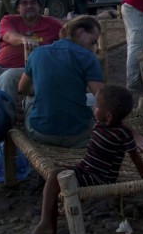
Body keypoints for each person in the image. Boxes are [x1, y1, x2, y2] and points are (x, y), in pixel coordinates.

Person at [24, 84, 143, 234]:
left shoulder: (123, 134)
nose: (93, 108)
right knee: (55, 174)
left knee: (55, 177)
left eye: (96, 107)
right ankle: (49, 231)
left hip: (100, 177)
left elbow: (135, 157)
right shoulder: (100, 123)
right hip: (86, 168)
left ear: (108, 116)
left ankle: (48, 229)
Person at [18, 15, 104, 148]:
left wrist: (42, 90)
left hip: (40, 133)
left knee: (29, 100)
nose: (93, 47)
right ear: (80, 32)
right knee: (92, 99)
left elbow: (22, 89)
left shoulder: (37, 53)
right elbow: (104, 99)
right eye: (93, 42)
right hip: (77, 136)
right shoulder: (87, 57)